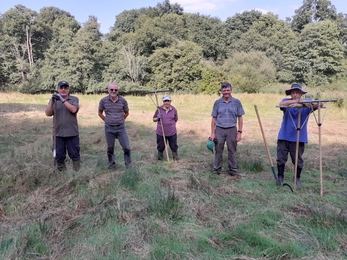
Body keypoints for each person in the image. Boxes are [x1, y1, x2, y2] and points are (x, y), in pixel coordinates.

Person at [276, 83, 322, 186]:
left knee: (297, 159)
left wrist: (305, 103)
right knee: (281, 157)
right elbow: (281, 104)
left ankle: (297, 178)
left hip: (299, 137)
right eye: (293, 92)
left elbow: (319, 104)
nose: (295, 94)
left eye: (297, 93)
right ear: (291, 94)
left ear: (301, 94)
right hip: (284, 135)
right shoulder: (286, 101)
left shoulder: (307, 101)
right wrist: (296, 102)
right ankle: (280, 177)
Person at [209, 82, 245, 175]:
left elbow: (240, 118)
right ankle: (216, 169)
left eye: (228, 90)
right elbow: (213, 119)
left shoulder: (237, 102)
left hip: (232, 129)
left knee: (232, 150)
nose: (226, 92)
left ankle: (233, 170)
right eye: (224, 90)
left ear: (231, 91)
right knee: (218, 150)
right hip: (219, 129)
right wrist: (213, 133)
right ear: (221, 92)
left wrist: (239, 132)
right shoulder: (217, 103)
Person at [45, 81, 80, 171]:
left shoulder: (74, 99)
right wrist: (52, 102)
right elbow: (48, 113)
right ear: (58, 89)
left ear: (68, 89)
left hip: (72, 132)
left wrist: (62, 100)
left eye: (65, 88)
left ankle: (77, 173)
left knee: (74, 154)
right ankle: (62, 174)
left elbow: (73, 110)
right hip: (58, 133)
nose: (63, 90)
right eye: (61, 88)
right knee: (59, 155)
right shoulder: (54, 100)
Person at [98, 83, 132, 169]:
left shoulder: (123, 101)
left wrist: (121, 120)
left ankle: (128, 165)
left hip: (121, 128)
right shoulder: (103, 101)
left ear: (118, 91)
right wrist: (107, 120)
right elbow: (100, 113)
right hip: (109, 128)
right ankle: (112, 165)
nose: (113, 91)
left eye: (115, 90)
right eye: (111, 89)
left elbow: (127, 113)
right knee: (110, 148)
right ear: (108, 90)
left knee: (126, 147)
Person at [153, 95, 179, 161]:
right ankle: (160, 158)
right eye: (165, 101)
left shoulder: (174, 109)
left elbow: (176, 119)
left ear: (170, 102)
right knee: (161, 146)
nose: (167, 102)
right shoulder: (159, 109)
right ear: (163, 102)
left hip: (172, 132)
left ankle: (175, 158)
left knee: (173, 146)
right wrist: (158, 118)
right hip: (161, 132)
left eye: (168, 101)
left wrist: (170, 125)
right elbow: (154, 119)